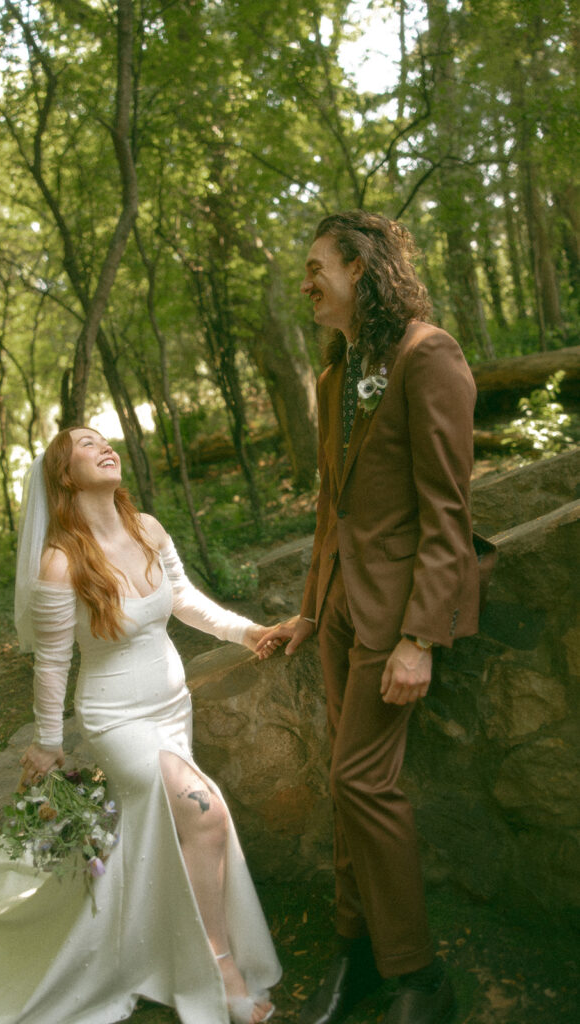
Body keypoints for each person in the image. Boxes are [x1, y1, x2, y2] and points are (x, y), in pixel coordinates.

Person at [0, 426, 281, 1024]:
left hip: (173, 704)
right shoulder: (60, 562)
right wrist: (48, 743)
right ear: (64, 475)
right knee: (205, 812)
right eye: (85, 444)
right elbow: (51, 665)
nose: (105, 447)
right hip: (117, 716)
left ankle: (140, 943)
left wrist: (247, 631)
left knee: (165, 832)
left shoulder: (147, 527)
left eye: (106, 440)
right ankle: (220, 966)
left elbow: (182, 598)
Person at [256, 211, 482, 1024]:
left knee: (360, 780)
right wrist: (310, 614)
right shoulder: (334, 371)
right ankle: (358, 959)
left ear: (359, 266)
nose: (307, 284)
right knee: (345, 786)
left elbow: (446, 510)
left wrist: (420, 637)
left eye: (317, 267)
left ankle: (420, 979)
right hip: (342, 611)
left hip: (395, 616)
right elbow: (331, 505)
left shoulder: (428, 355)